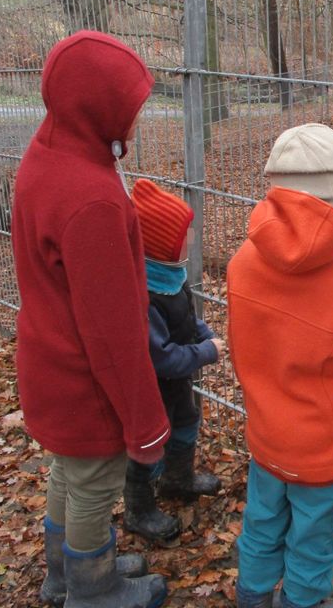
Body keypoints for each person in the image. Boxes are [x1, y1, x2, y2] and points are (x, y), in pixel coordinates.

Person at [11, 30, 169, 608]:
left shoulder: (47, 153)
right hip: (85, 381)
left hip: (47, 359)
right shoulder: (91, 200)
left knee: (70, 474)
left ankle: (64, 571)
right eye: (130, 111)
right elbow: (112, 331)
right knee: (96, 484)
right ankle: (92, 586)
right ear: (97, 108)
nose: (136, 123)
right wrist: (144, 420)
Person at [227, 123, 333, 608]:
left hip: (266, 439)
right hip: (321, 456)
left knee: (260, 527)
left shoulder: (241, 263)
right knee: (311, 543)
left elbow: (244, 354)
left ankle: (252, 598)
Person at [124, 178, 225, 544]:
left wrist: (201, 331)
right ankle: (140, 508)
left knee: (185, 422)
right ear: (161, 244)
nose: (193, 239)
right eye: (185, 234)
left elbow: (185, 316)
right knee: (149, 443)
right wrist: (206, 352)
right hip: (152, 388)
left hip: (178, 382)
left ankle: (178, 479)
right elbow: (160, 358)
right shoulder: (144, 295)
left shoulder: (170, 276)